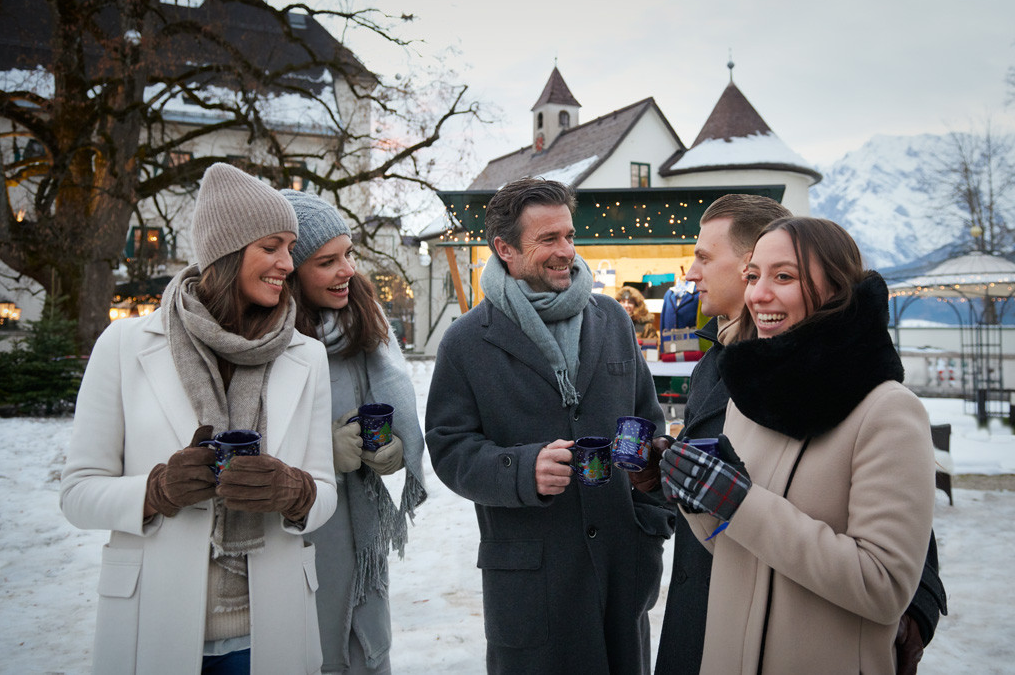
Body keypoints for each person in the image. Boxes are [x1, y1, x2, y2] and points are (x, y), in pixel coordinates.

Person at [641, 195, 946, 675]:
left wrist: (919, 606)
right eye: (755, 276)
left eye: (782, 276)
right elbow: (731, 534)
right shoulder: (739, 380)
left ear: (835, 288)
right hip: (711, 642)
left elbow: (895, 555)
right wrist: (681, 487)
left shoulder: (881, 406)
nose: (691, 273)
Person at [61, 163, 337, 675]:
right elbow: (77, 492)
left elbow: (324, 490)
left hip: (271, 627)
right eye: (271, 246)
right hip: (153, 622)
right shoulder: (124, 346)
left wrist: (295, 492)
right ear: (227, 252)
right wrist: (156, 490)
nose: (287, 262)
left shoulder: (306, 355)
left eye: (290, 247)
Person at [424, 177, 673, 675]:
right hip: (533, 580)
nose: (567, 252)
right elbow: (449, 448)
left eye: (570, 235)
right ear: (505, 249)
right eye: (548, 240)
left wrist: (649, 509)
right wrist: (521, 470)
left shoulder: (613, 320)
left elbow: (646, 418)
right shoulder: (466, 341)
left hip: (622, 571)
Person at [282, 189, 427, 674]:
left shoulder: (362, 322)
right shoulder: (264, 343)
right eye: (327, 261)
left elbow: (385, 402)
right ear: (291, 271)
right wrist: (321, 451)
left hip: (358, 526)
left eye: (348, 254)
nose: (347, 270)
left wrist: (393, 449)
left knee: (365, 649)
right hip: (295, 537)